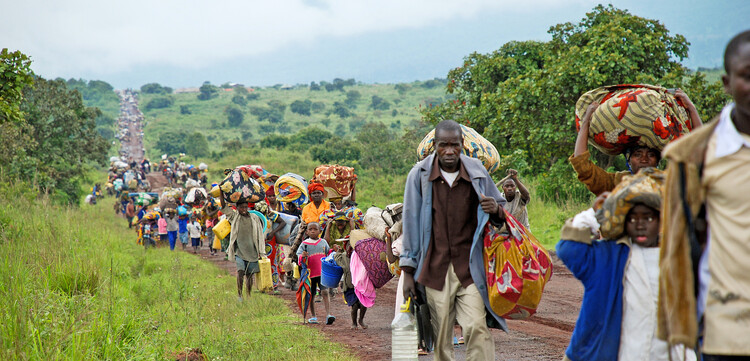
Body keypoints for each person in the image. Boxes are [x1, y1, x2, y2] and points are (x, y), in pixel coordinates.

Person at [658, 30, 750, 360]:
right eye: (747, 76)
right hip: (724, 328)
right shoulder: (694, 156)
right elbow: (680, 242)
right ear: (726, 83)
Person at [557, 168, 696, 361]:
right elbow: (568, 248)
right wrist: (595, 214)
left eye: (648, 218)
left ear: (661, 220)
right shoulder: (610, 256)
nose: (640, 224)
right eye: (632, 218)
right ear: (624, 222)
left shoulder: (680, 257)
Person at [400, 119, 507, 361]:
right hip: (435, 269)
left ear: (463, 145)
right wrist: (407, 271)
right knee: (442, 339)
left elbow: (500, 208)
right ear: (435, 145)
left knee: (477, 328)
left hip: (470, 268)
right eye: (443, 145)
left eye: (455, 145)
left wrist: (496, 211)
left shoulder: (477, 172)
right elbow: (411, 222)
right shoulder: (419, 175)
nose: (449, 151)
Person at [569, 90, 702, 196]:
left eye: (650, 155)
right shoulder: (615, 183)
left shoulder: (669, 182)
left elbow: (701, 156)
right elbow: (584, 168)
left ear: (657, 161)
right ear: (629, 160)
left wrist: (691, 108)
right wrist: (586, 120)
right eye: (637, 154)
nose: (644, 159)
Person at [219, 195, 266, 301]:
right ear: (237, 207)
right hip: (239, 251)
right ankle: (239, 295)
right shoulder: (234, 216)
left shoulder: (254, 218)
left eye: (246, 207)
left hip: (252, 252)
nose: (244, 210)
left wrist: (261, 252)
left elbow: (260, 234)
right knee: (240, 272)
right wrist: (221, 192)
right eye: (242, 207)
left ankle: (248, 295)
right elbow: (223, 206)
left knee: (250, 276)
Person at [296, 222, 335, 325]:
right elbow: (299, 257)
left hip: (322, 272)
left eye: (315, 229)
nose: (313, 231)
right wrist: (303, 256)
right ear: (307, 231)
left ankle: (328, 314)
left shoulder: (323, 242)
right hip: (310, 274)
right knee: (311, 295)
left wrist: (334, 251)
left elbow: (328, 253)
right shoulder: (304, 244)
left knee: (325, 292)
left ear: (319, 231)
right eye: (310, 229)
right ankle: (313, 316)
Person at [334, 241, 367, 329]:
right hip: (349, 286)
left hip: (361, 285)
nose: (351, 247)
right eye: (349, 245)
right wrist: (338, 251)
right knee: (354, 305)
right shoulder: (344, 256)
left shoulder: (362, 255)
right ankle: (354, 323)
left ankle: (361, 320)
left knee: (363, 304)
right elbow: (337, 259)